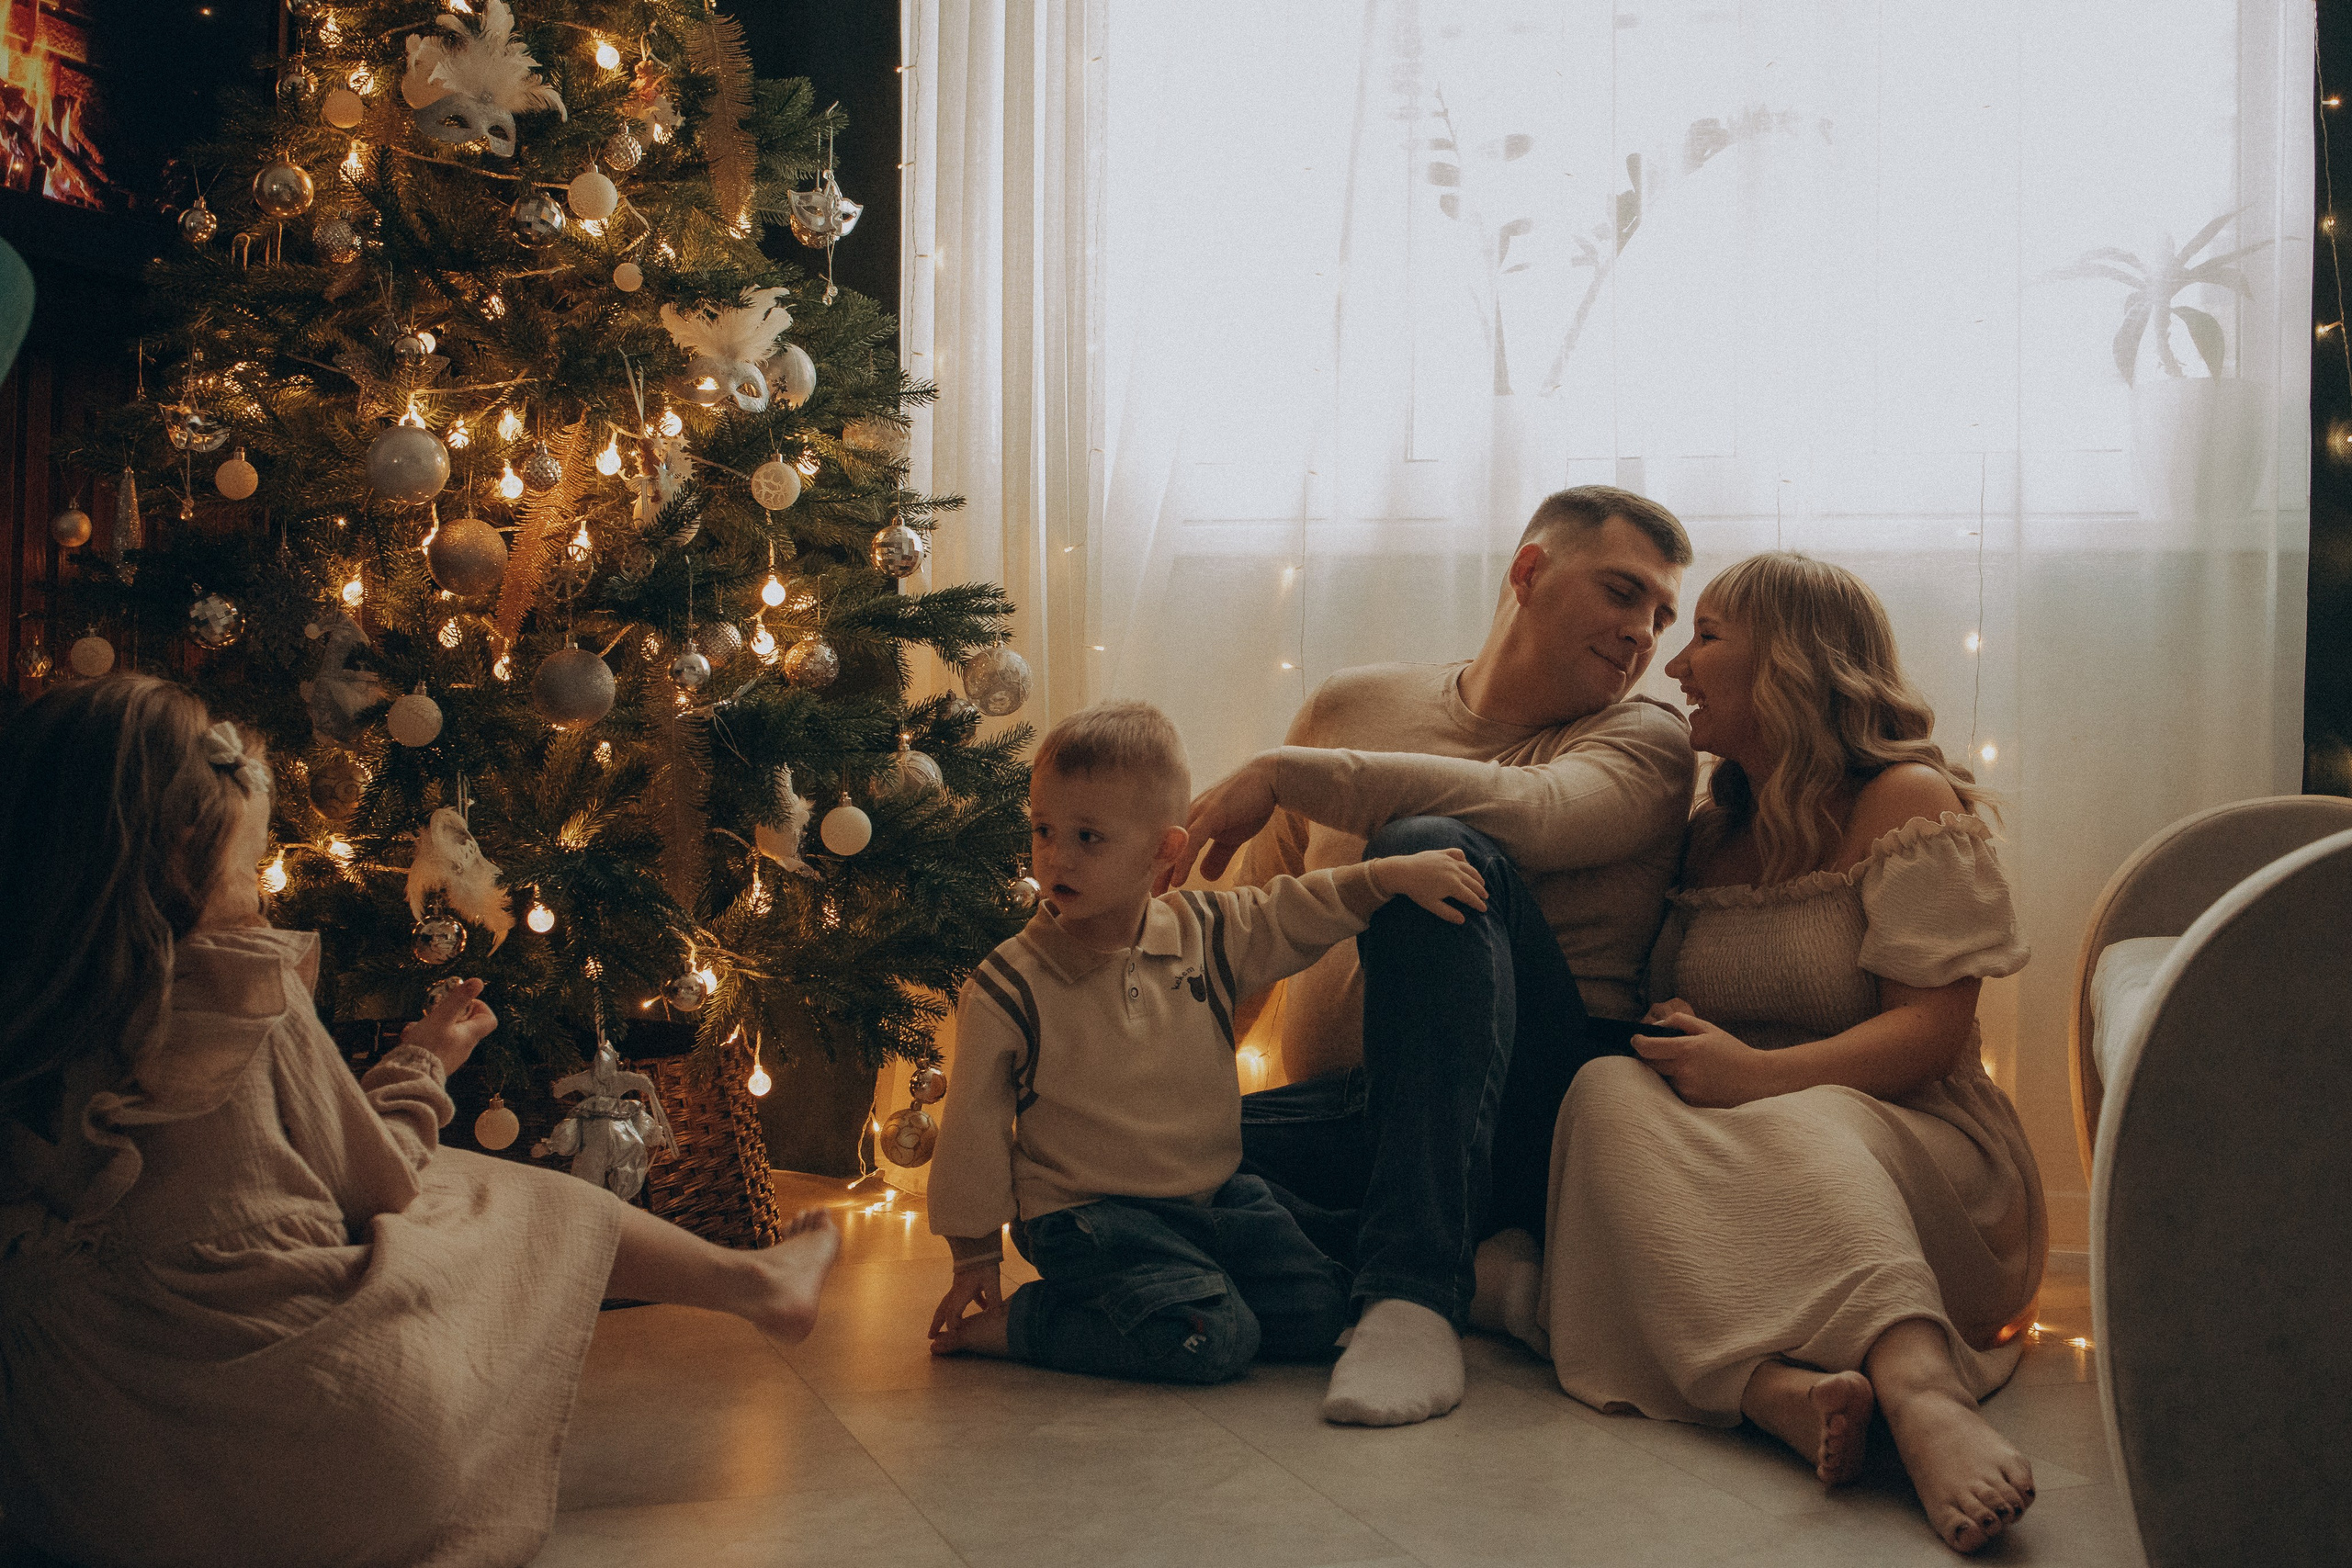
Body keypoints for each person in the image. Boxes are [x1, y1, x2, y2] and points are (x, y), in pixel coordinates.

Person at [0, 677, 842, 1568]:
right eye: (248, 873)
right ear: (176, 852)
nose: (258, 899)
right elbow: (377, 1179)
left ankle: (759, 1283)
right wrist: (424, 1063)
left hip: (87, 1489)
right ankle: (761, 1284)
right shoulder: (236, 990)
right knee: (509, 1198)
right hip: (322, 1461)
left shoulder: (32, 1013)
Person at [1529, 552, 2045, 1556]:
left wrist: (1756, 1074)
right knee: (1600, 1095)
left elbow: (1930, 1033)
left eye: (1708, 635)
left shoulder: (1905, 802)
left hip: (1919, 1148)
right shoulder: (1708, 835)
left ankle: (1919, 1387)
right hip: (1745, 1139)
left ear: (1794, 662)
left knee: (1799, 1118)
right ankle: (1778, 1396)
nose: (1673, 665)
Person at [1169, 485, 1695, 1426]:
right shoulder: (1351, 707)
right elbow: (1251, 930)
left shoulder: (1646, 739)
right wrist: (1165, 1088)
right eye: (1621, 594)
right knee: (1113, 1162)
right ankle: (1489, 1279)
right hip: (1369, 1116)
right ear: (1528, 573)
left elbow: (1534, 810)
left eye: (1660, 615)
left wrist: (1285, 772)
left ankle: (1411, 1294)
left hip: (1540, 1116)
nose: (1641, 634)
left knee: (1425, 846)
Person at [925, 700, 1487, 1383]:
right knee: (1213, 1337)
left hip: (1210, 1198)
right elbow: (973, 1129)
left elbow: (1294, 909)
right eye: (1044, 830)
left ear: (1164, 849)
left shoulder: (1203, 931)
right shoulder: (1010, 983)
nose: (1055, 856)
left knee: (1319, 1309)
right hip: (1088, 1218)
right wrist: (974, 1250)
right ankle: (1029, 1321)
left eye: (1087, 837)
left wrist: (1387, 877)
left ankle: (1174, 1290)